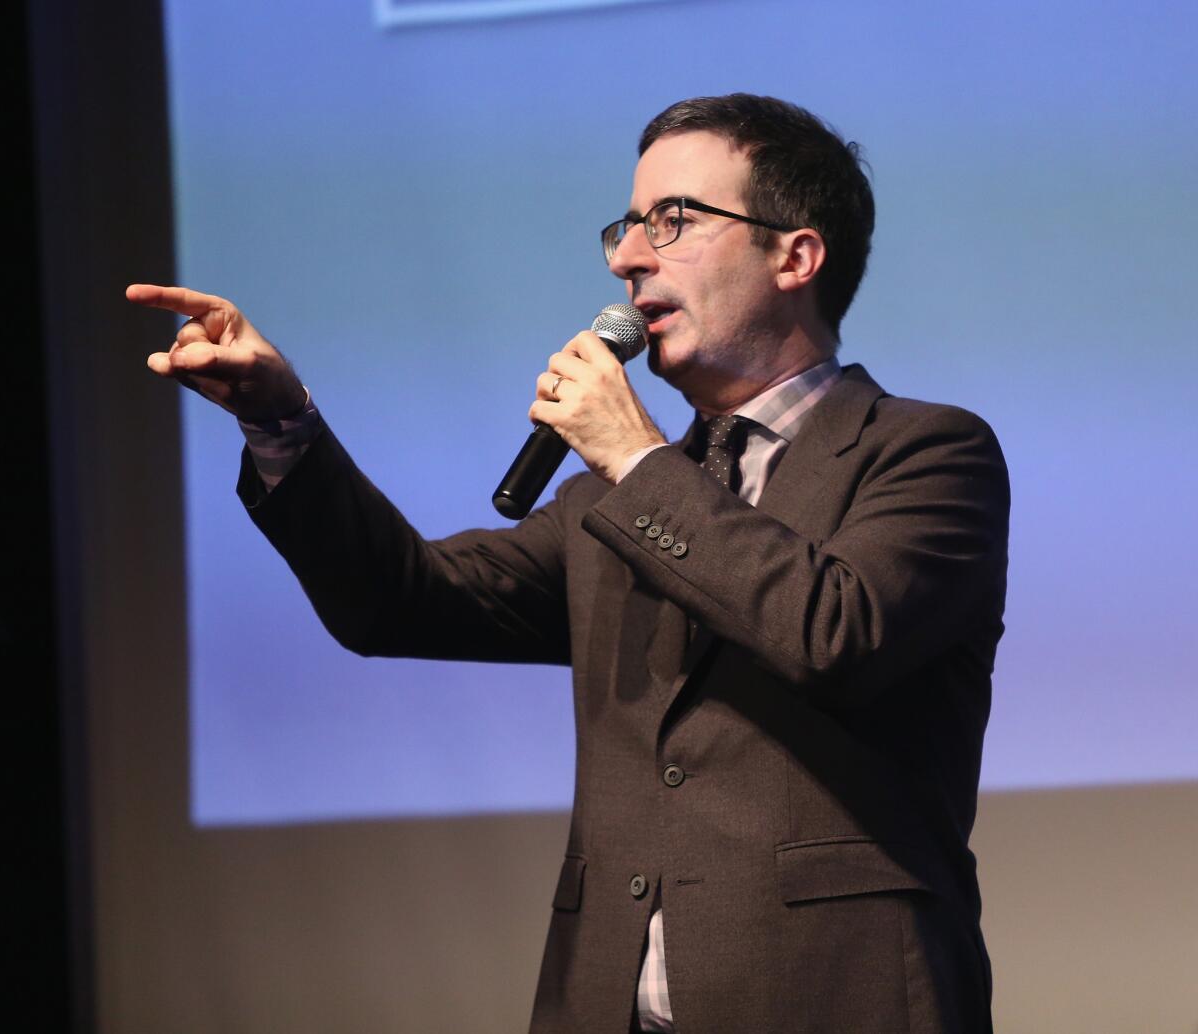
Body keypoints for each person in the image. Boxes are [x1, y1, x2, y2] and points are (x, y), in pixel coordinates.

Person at [129, 93, 1008, 1034]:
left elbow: (836, 634)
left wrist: (636, 457)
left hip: (841, 999)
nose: (630, 256)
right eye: (627, 228)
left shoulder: (923, 453)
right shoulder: (608, 506)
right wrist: (280, 418)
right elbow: (400, 601)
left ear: (795, 255)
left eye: (673, 221)